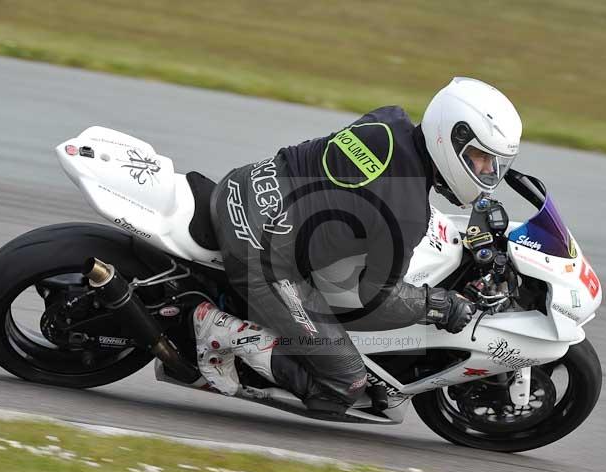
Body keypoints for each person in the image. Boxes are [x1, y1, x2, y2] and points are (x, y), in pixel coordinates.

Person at [193, 77, 523, 414]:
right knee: (344, 384)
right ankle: (221, 331)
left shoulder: (389, 122)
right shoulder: (407, 211)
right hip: (261, 254)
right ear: (452, 139)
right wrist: (439, 306)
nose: (487, 171)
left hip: (243, 185)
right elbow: (376, 297)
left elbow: (355, 191)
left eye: (494, 163)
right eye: (482, 158)